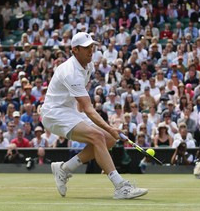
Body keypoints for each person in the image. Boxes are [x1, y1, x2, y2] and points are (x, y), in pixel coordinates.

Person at [40, 32, 147, 199]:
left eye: (92, 47)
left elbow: (81, 104)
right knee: (98, 136)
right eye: (86, 48)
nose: (91, 51)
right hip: (53, 114)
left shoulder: (88, 65)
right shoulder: (71, 71)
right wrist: (110, 128)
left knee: (110, 140)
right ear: (75, 50)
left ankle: (65, 169)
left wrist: (108, 132)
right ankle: (120, 187)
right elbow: (88, 108)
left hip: (69, 111)